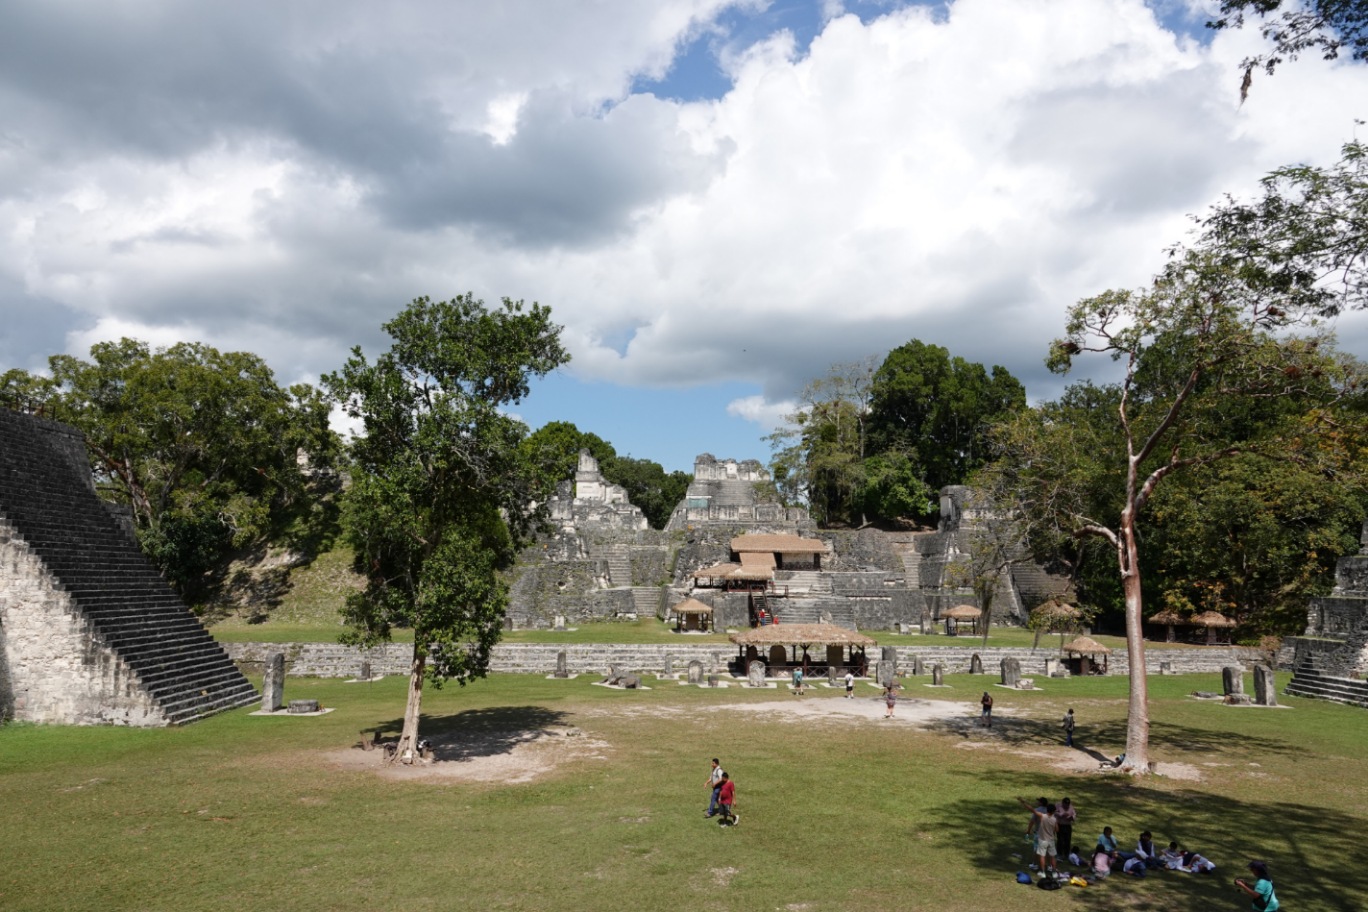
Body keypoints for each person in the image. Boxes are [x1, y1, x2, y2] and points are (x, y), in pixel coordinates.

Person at [1016, 797, 1060, 879]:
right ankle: (1054, 872)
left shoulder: (1042, 816)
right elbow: (1057, 830)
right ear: (1053, 811)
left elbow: (1032, 810)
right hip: (1051, 840)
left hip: (1042, 839)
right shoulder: (1054, 819)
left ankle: (1043, 872)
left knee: (1042, 856)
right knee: (1052, 856)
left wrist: (1023, 803)